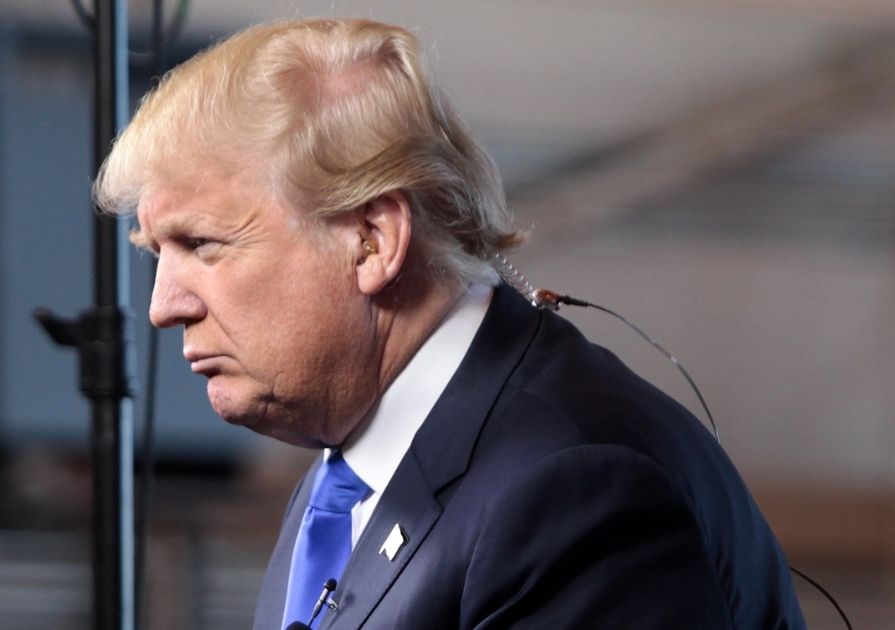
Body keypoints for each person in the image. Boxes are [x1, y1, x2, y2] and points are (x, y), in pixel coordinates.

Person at [95, 17, 806, 630]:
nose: (163, 305)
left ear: (372, 240)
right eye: (157, 253)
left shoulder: (572, 485)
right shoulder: (343, 485)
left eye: (203, 245)